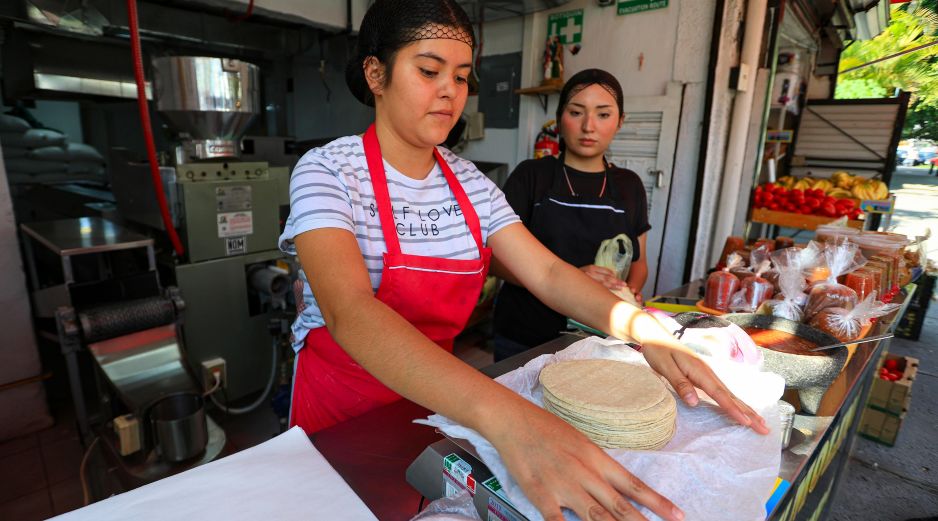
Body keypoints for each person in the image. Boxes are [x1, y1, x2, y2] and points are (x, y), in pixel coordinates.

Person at [279, 2, 767, 520]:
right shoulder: (328, 172)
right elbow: (349, 312)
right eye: (428, 71)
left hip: (440, 401)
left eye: (462, 77)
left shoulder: (470, 185)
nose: (450, 90)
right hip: (341, 414)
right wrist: (508, 419)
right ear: (376, 73)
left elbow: (550, 272)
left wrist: (646, 333)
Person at [493, 69, 650, 361]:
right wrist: (572, 280)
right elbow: (495, 260)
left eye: (603, 115)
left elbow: (639, 263)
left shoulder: (630, 186)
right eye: (577, 112)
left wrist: (627, 291)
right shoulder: (531, 176)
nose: (589, 126)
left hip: (599, 338)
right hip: (524, 335)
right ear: (560, 117)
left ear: (620, 122)